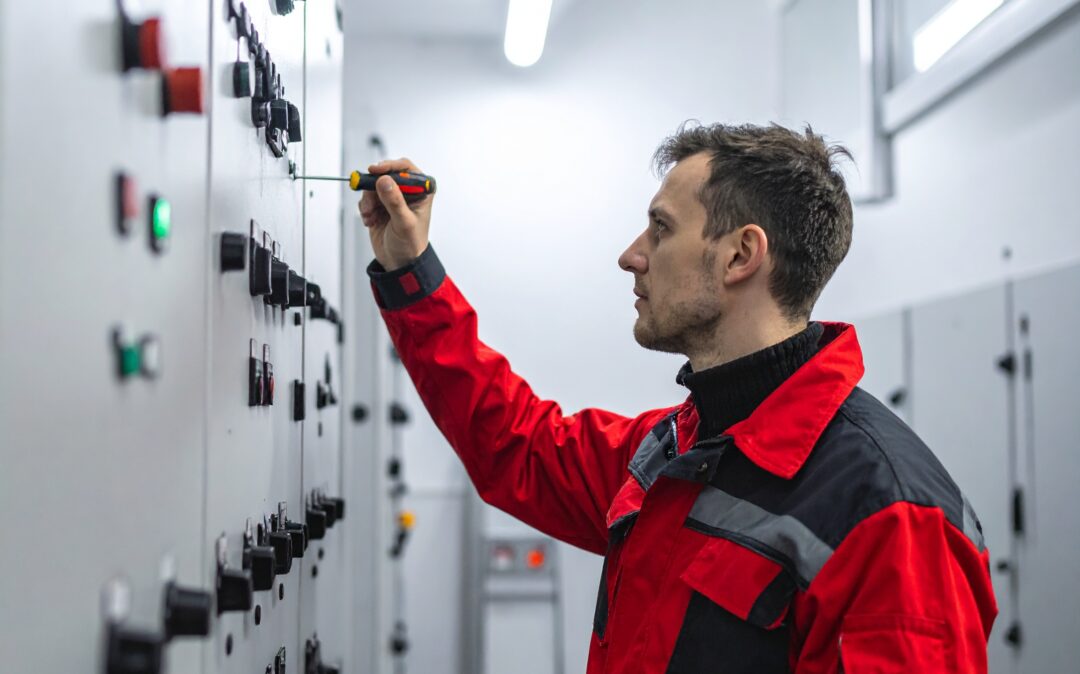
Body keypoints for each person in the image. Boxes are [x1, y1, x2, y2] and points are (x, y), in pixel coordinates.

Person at [358, 123, 997, 673]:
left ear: (741, 255)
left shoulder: (892, 517)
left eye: (660, 230)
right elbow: (515, 443)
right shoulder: (673, 452)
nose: (630, 256)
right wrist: (408, 270)